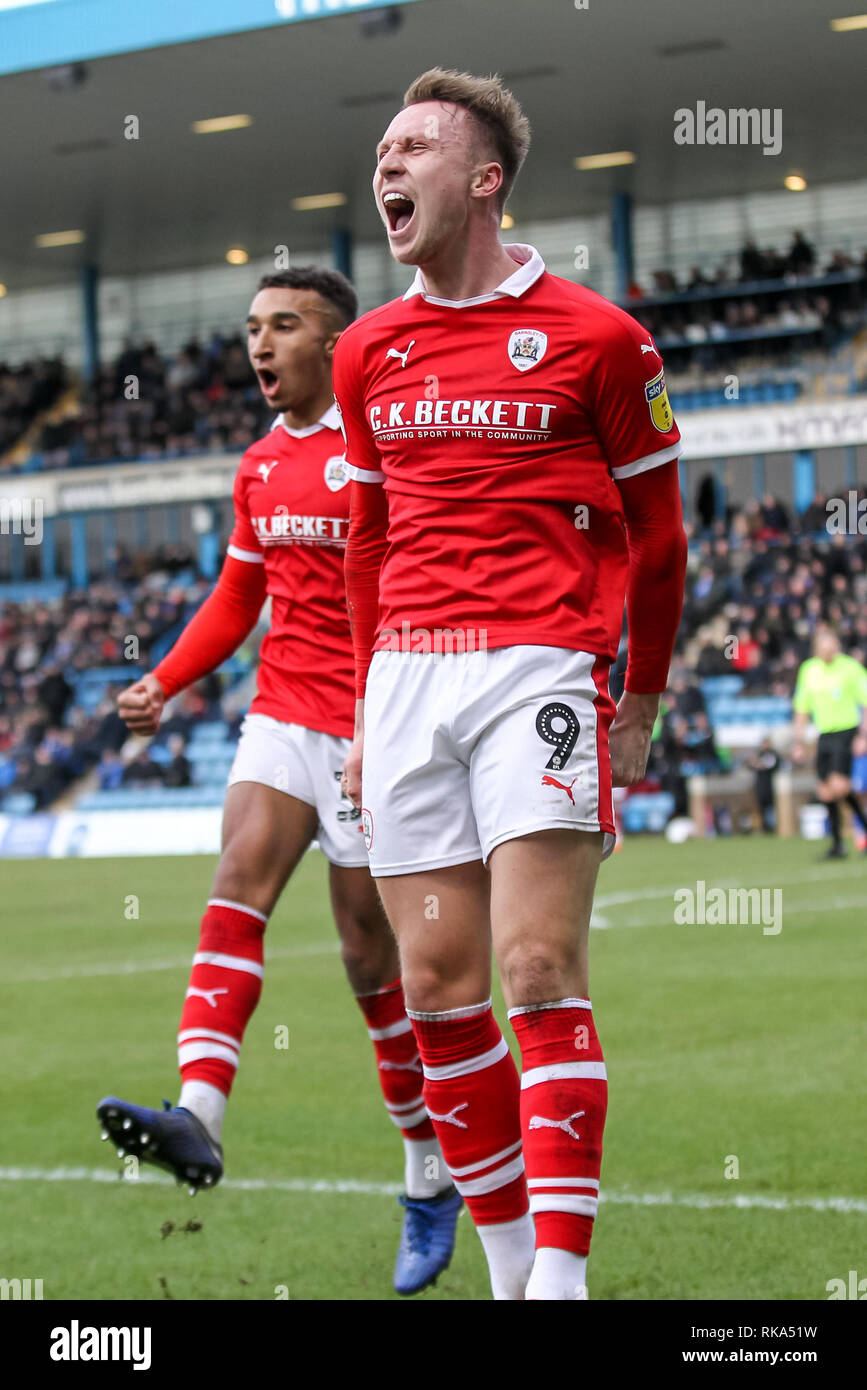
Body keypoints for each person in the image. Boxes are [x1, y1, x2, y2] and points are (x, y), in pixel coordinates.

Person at [335, 68, 687, 1300]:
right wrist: (367, 714)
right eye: (381, 148)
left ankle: (563, 1284)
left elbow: (661, 539)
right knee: (437, 987)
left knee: (537, 969)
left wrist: (637, 699)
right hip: (403, 684)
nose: (388, 164)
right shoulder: (365, 351)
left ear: (483, 180)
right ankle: (507, 1272)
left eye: (414, 146)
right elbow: (369, 545)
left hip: (538, 668)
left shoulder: (601, 339)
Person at [97, 266, 459, 1296]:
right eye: (253, 327)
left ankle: (428, 1172)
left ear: (339, 343)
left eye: (286, 325)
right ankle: (198, 1115)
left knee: (367, 958)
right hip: (284, 711)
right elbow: (238, 593)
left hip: (375, 728)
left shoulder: (387, 448)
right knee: (237, 876)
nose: (261, 344)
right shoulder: (260, 464)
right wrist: (163, 678)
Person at [791, 627, 867, 859]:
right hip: (824, 735)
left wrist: (863, 736)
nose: (827, 649)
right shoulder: (809, 670)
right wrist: (798, 741)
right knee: (825, 792)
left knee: (839, 786)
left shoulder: (850, 668)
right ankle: (837, 845)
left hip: (846, 731)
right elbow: (802, 707)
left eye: (830, 644)